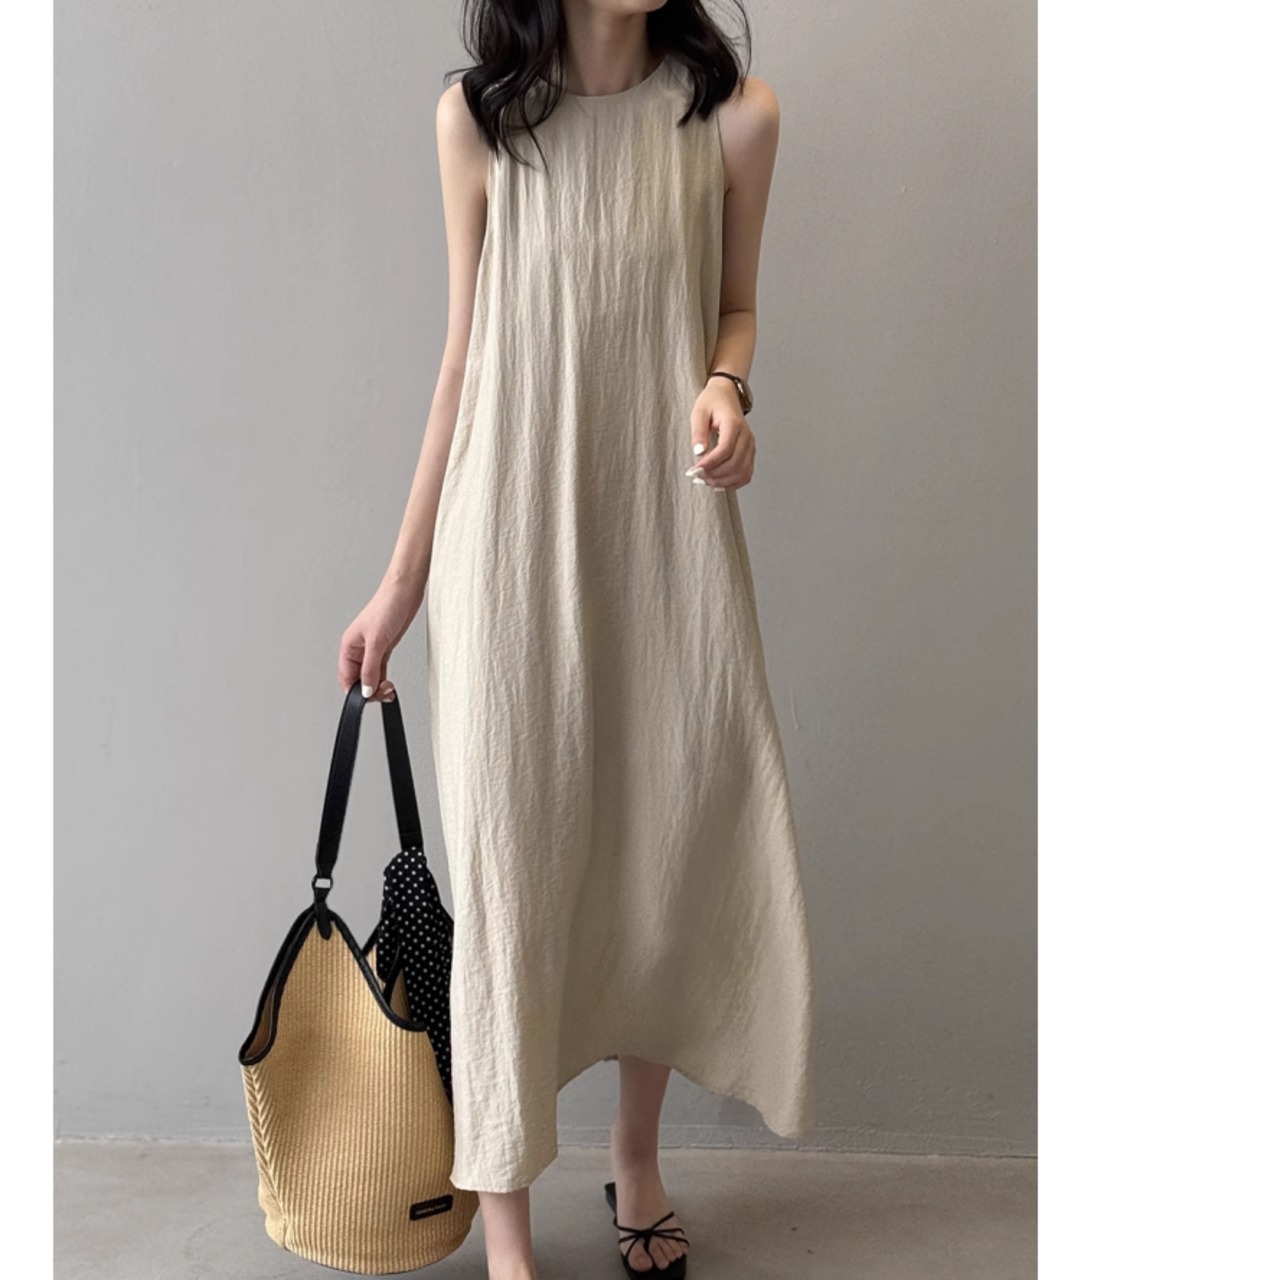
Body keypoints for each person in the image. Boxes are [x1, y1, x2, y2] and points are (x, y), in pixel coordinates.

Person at [338, 3, 814, 1277]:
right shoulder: (480, 123)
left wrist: (726, 387)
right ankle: (507, 1236)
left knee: (659, 847)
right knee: (511, 875)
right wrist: (400, 586)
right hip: (506, 543)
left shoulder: (732, 120)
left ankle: (636, 1156)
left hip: (664, 540)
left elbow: (734, 308)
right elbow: (462, 361)